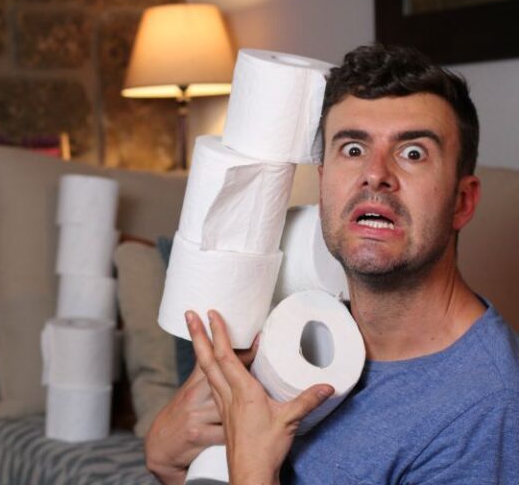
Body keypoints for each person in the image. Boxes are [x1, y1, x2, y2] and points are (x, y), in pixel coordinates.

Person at [144, 43, 519, 484]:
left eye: (412, 152)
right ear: (323, 184)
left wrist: (251, 468)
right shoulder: (307, 329)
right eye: (353, 149)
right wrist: (165, 460)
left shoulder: (486, 408)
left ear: (463, 201)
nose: (375, 173)